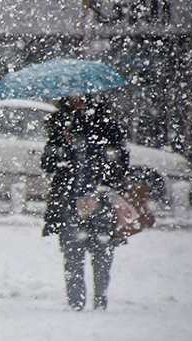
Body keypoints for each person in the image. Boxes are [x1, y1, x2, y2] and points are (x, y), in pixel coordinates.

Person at [41, 95, 128, 311]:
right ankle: (76, 303)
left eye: (80, 94)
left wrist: (102, 173)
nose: (76, 99)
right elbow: (48, 164)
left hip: (101, 200)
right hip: (69, 201)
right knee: (72, 254)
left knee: (102, 254)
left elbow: (121, 160)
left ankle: (100, 301)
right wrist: (63, 147)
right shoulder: (60, 123)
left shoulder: (104, 121)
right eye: (72, 95)